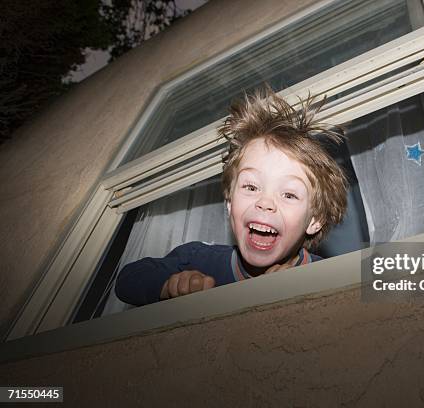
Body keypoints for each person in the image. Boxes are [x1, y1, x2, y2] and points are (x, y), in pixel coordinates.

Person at [115, 88, 348, 306]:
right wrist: (168, 286)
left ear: (314, 220)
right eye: (251, 187)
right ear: (229, 203)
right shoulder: (199, 259)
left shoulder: (329, 274)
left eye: (288, 194)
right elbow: (128, 279)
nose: (265, 203)